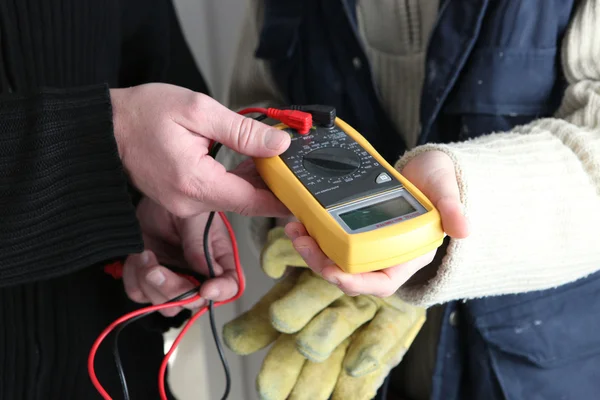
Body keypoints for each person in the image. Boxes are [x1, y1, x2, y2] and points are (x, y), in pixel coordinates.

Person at [191, 0, 600, 399]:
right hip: (347, 329)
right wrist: (298, 222)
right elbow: (251, 115)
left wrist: (460, 203)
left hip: (529, 365)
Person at [0, 0, 291, 398]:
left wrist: (147, 205)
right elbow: (125, 127)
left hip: (119, 373)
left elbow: (158, 73)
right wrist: (110, 140)